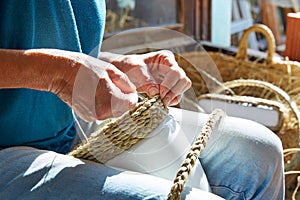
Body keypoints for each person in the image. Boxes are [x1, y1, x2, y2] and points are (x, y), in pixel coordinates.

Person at [0, 1, 284, 199]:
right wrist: (57, 73)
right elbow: (53, 63)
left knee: (261, 153)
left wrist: (119, 66)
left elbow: (42, 36)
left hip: (70, 126)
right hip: (7, 148)